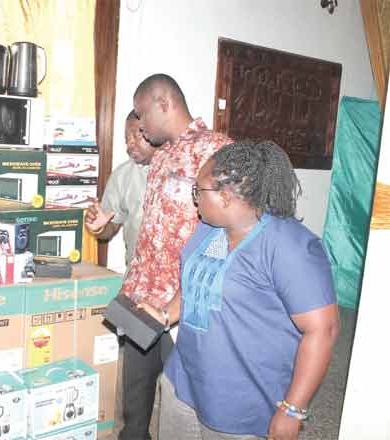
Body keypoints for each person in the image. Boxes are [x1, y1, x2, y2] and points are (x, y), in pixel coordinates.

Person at [155, 140, 339, 440]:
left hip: (242, 402)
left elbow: (324, 330)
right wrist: (165, 313)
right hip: (184, 381)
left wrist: (292, 409)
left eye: (198, 191)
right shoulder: (209, 228)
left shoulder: (289, 247)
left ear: (226, 196)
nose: (194, 200)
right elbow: (193, 285)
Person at [115, 74, 232, 439]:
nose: (141, 123)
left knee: (183, 402)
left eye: (142, 113)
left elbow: (229, 230)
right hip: (142, 297)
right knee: (135, 396)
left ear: (164, 104)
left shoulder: (217, 150)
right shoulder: (162, 155)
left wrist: (184, 299)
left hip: (183, 306)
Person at [86, 109, 173, 440]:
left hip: (178, 298)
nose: (129, 144)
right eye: (125, 138)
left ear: (156, 130)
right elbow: (108, 231)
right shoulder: (124, 175)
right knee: (136, 383)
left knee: (181, 382)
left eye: (137, 135)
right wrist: (99, 226)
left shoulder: (184, 172)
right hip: (139, 293)